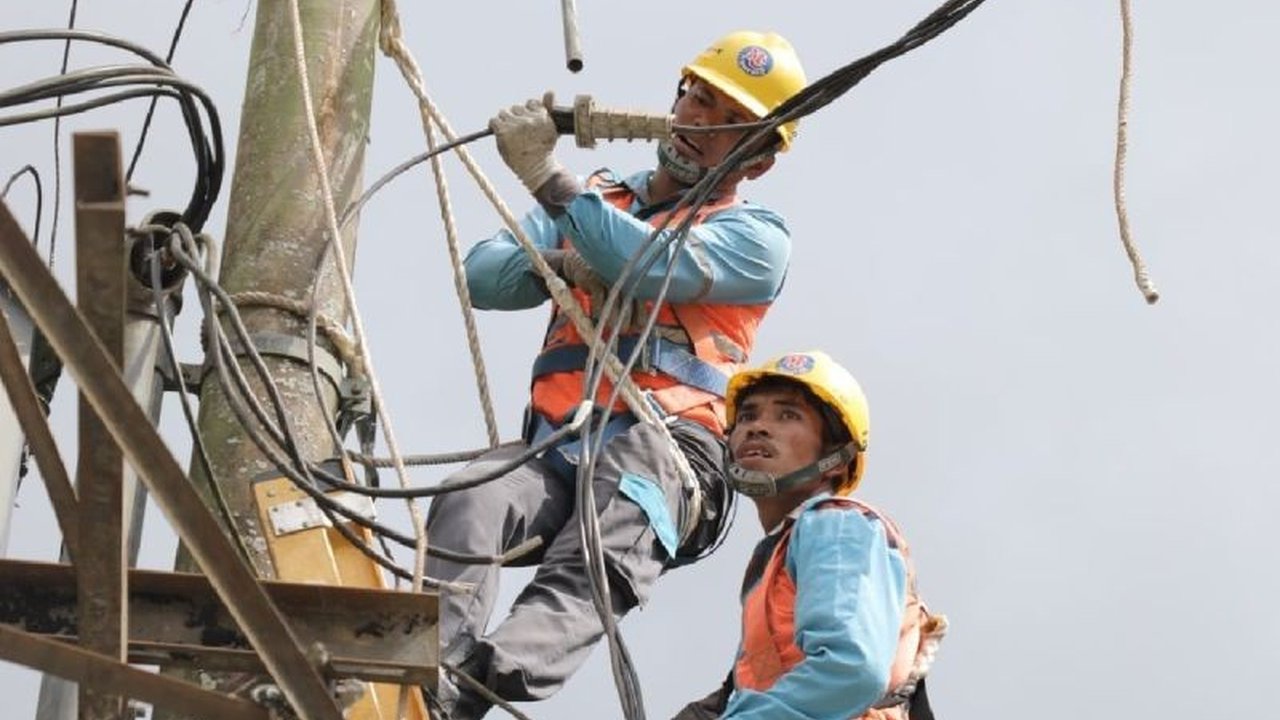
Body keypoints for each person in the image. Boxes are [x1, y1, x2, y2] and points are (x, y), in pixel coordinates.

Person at [424, 31, 808, 719]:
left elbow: (650, 264)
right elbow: (484, 276)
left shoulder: (757, 239)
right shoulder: (601, 198)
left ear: (760, 159)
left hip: (667, 451)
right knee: (472, 497)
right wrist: (570, 261)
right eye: (697, 100)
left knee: (616, 510)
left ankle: (488, 677)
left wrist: (551, 186)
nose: (699, 124)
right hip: (558, 447)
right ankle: (433, 676)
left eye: (728, 122)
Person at [674, 350, 947, 720]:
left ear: (836, 455)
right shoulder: (780, 557)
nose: (758, 426)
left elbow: (850, 668)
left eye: (788, 415)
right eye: (748, 415)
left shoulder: (834, 525)